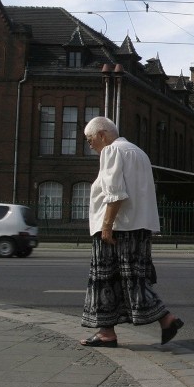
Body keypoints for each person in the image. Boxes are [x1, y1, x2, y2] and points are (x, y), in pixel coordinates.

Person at [79, 116, 184, 348]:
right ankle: (109, 331)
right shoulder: (138, 153)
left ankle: (163, 319)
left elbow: (115, 193)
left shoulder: (111, 151)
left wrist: (106, 226)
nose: (90, 145)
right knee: (131, 279)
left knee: (106, 280)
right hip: (138, 227)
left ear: (102, 135)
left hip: (118, 228)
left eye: (89, 139)